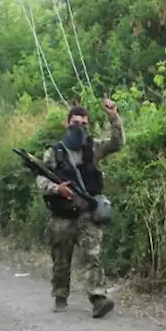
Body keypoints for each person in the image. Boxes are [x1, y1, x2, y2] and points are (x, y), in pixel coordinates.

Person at [35, 97, 123, 317]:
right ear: (67, 124)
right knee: (61, 260)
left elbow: (117, 143)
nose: (80, 127)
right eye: (75, 123)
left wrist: (114, 117)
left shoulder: (93, 148)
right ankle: (60, 296)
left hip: (86, 214)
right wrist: (57, 189)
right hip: (62, 215)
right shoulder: (54, 152)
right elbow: (40, 179)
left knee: (92, 256)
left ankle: (98, 298)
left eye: (84, 124)